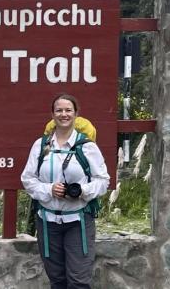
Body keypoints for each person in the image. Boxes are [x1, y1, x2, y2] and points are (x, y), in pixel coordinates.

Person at [20, 93, 110, 288]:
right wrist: (49, 189)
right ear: (52, 114)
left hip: (77, 221)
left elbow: (103, 181)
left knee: (79, 280)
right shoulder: (41, 145)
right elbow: (27, 179)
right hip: (47, 220)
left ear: (76, 114)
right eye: (59, 110)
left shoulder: (87, 147)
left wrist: (82, 191)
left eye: (68, 110)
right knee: (57, 279)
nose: (64, 114)